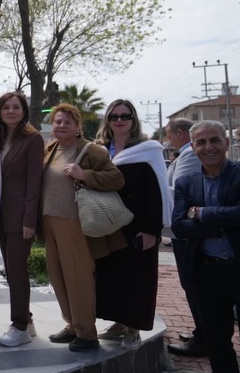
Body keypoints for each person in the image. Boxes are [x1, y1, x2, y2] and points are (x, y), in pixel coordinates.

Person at [171, 120, 240, 373]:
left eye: (214, 140)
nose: (208, 147)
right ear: (193, 146)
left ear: (226, 143)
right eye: (201, 142)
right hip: (206, 273)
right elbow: (179, 226)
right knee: (217, 344)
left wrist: (199, 213)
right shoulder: (186, 183)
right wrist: (224, 223)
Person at [41, 103, 124, 352]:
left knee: (78, 278)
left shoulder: (92, 151)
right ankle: (72, 325)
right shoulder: (50, 149)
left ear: (78, 126)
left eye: (67, 122)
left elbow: (117, 179)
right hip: (49, 222)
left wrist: (84, 175)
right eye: (57, 122)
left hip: (74, 223)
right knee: (58, 276)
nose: (62, 126)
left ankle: (87, 333)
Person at [92, 99, 170, 350]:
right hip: (108, 226)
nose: (119, 120)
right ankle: (118, 323)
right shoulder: (100, 149)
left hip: (138, 227)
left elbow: (158, 190)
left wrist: (151, 229)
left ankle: (133, 327)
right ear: (108, 120)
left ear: (134, 120)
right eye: (114, 116)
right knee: (111, 277)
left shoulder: (148, 149)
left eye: (125, 116)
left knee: (138, 278)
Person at [0, 92, 43, 347]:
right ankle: (28, 319)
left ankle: (20, 325)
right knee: (11, 271)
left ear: (23, 111)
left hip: (21, 216)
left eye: (16, 107)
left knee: (18, 271)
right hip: (0, 214)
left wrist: (29, 220)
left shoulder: (33, 139)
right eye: (6, 107)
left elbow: (34, 183)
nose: (11, 111)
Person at [164, 117, 206, 357]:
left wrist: (155, 186)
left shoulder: (189, 154)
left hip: (188, 229)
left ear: (180, 133)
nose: (169, 140)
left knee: (194, 284)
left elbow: (179, 190)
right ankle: (202, 331)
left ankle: (204, 337)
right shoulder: (184, 154)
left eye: (169, 134)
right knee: (190, 284)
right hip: (183, 230)